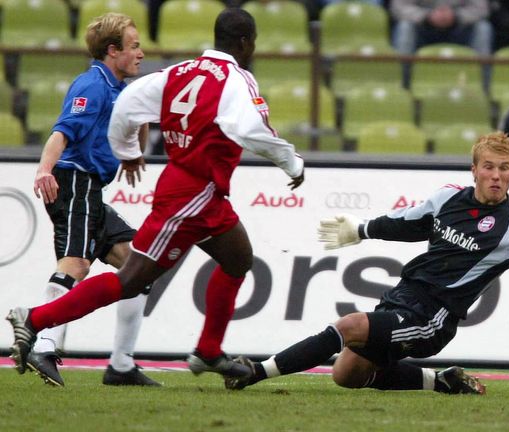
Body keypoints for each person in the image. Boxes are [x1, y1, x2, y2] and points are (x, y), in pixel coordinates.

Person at [223, 131, 509, 394]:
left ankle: (255, 371)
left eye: (505, 168)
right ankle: (442, 381)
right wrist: (360, 230)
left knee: (350, 326)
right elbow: (408, 224)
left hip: (433, 318)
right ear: (474, 169)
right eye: (489, 167)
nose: (496, 176)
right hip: (401, 298)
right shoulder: (447, 198)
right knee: (347, 375)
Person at [7, 8, 305, 384]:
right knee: (128, 279)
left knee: (238, 258)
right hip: (190, 196)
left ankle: (206, 352)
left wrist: (129, 149)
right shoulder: (236, 79)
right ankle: (35, 319)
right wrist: (292, 162)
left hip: (204, 196)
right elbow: (253, 130)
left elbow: (129, 104)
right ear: (246, 43)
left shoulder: (179, 71)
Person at [25, 12, 158, 387]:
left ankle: (120, 364)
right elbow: (62, 132)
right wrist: (44, 171)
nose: (141, 53)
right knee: (77, 263)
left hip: (90, 189)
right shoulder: (92, 85)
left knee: (140, 265)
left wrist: (141, 116)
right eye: (133, 46)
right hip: (74, 180)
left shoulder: (120, 90)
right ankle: (43, 343)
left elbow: (137, 144)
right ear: (112, 51)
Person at [390, 0, 494, 56]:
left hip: (459, 29)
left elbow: (481, 9)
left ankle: (483, 88)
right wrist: (427, 16)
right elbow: (399, 7)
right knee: (405, 27)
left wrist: (456, 16)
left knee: (483, 28)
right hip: (423, 28)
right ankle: (401, 86)